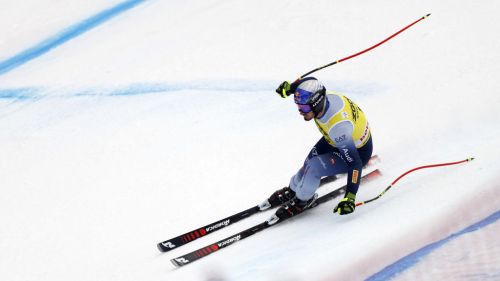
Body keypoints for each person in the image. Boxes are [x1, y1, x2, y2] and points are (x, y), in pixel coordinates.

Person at [263, 77, 373, 224]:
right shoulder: (319, 98)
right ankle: (293, 188)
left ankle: (302, 200)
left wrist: (350, 197)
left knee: (314, 167)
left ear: (316, 104)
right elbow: (310, 81)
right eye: (298, 107)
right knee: (308, 161)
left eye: (304, 108)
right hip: (334, 140)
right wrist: (290, 88)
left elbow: (355, 163)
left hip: (358, 152)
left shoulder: (338, 128)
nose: (300, 112)